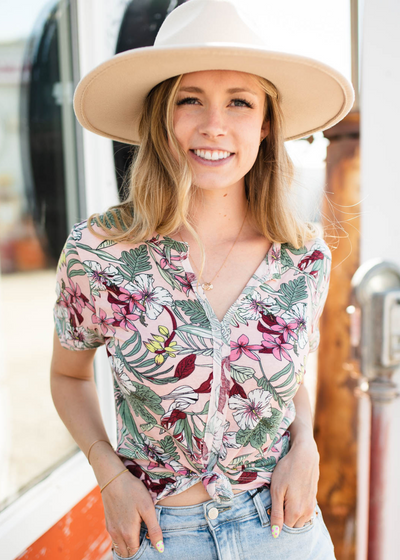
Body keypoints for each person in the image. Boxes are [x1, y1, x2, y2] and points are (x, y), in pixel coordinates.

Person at [50, 1, 354, 558]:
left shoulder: (302, 257)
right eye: (191, 100)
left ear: (265, 125)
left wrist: (305, 443)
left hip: (284, 533)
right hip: (163, 537)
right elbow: (69, 377)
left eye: (239, 102)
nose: (214, 124)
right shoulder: (100, 255)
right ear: (161, 117)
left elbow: (288, 379)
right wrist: (109, 474)